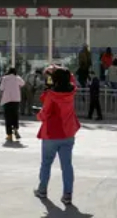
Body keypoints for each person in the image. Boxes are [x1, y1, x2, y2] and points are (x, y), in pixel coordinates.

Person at [34, 66, 81, 206]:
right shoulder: (72, 91)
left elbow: (44, 114)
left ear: (54, 79)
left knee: (46, 163)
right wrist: (60, 70)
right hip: (68, 133)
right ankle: (67, 194)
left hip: (51, 134)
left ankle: (42, 189)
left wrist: (38, 114)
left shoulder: (51, 95)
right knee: (67, 165)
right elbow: (71, 79)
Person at [0, 67, 25, 142]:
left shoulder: (4, 78)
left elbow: (1, 88)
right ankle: (15, 128)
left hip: (7, 100)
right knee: (15, 115)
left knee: (8, 117)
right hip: (16, 99)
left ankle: (9, 135)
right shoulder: (17, 78)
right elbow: (23, 83)